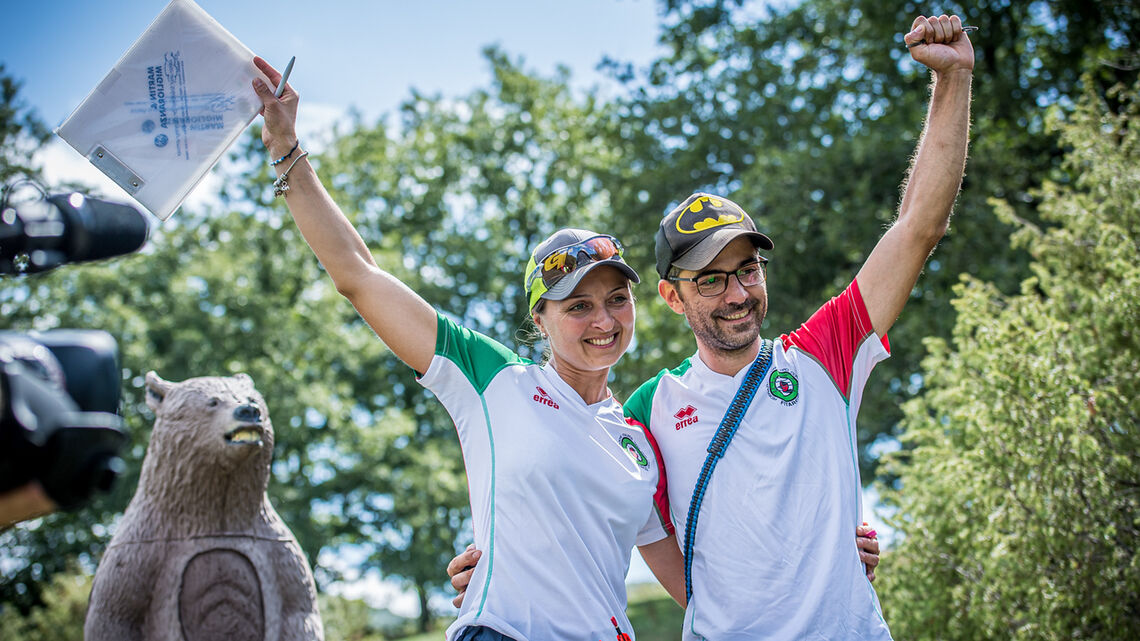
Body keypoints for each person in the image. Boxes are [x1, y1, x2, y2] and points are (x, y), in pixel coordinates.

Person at [450, 13, 972, 640]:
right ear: (671, 296)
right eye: (711, 279)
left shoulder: (826, 355)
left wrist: (953, 80)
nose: (737, 293)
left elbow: (918, 226)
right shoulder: (645, 411)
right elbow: (577, 502)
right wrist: (497, 566)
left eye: (747, 268)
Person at [252, 56, 677, 641]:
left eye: (616, 299)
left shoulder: (638, 441)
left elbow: (692, 585)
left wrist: (837, 568)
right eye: (577, 305)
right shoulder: (494, 378)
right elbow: (358, 275)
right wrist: (286, 147)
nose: (603, 320)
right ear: (541, 319)